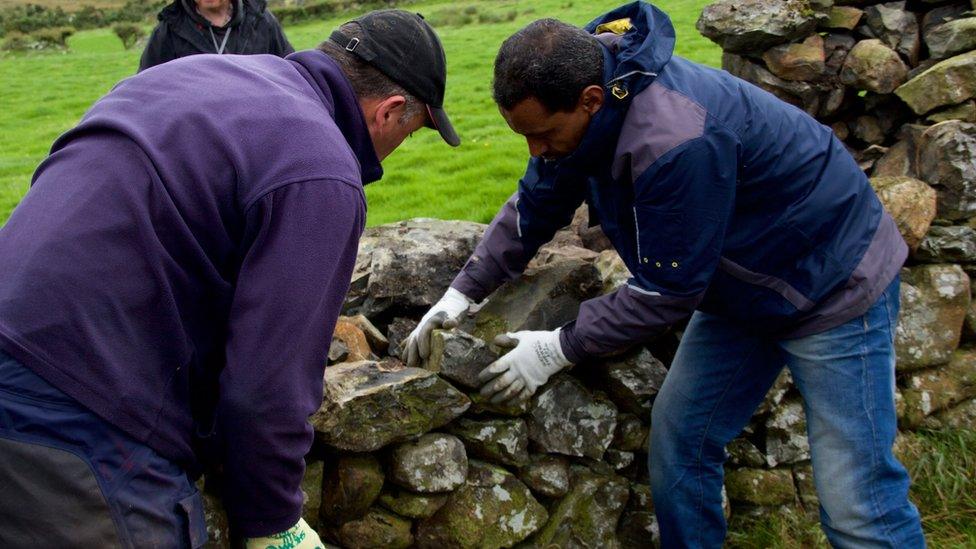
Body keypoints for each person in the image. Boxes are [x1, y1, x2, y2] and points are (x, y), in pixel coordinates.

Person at [403, 2, 925, 547]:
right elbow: (538, 201)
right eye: (523, 135)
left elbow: (668, 288)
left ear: (591, 100)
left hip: (832, 280)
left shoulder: (674, 137)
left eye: (544, 133)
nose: (536, 150)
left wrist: (559, 347)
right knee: (680, 441)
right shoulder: (584, 97)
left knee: (855, 501)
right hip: (745, 290)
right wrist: (460, 294)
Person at [0, 9, 457, 548]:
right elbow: (265, 389)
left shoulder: (190, 75)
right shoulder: (320, 169)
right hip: (79, 410)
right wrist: (274, 524)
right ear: (392, 111)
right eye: (414, 131)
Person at [139, 0, 294, 72]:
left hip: (257, 123)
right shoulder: (169, 30)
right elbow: (146, 91)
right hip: (199, 131)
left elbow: (290, 71)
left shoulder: (260, 19)